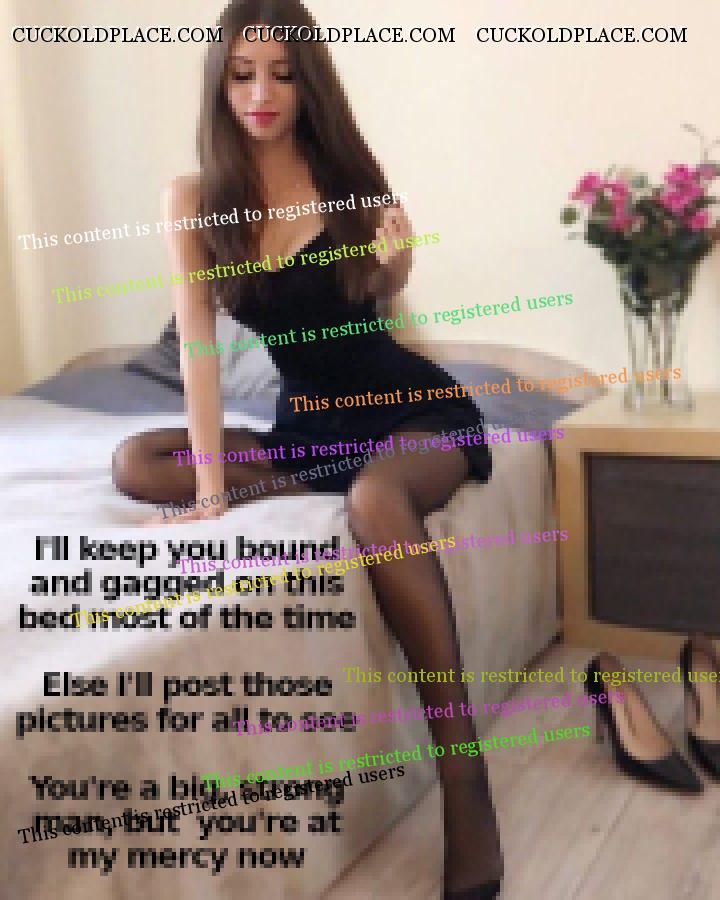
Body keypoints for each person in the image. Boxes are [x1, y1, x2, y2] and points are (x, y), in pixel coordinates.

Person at [112, 2, 502, 896]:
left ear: (308, 83)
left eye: (283, 74)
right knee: (138, 461)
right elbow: (199, 350)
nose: (262, 93)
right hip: (308, 427)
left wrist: (399, 267)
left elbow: (384, 285)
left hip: (406, 411)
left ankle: (464, 778)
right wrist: (212, 490)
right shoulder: (193, 201)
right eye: (243, 73)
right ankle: (298, 478)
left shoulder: (349, 179)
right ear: (220, 82)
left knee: (375, 500)